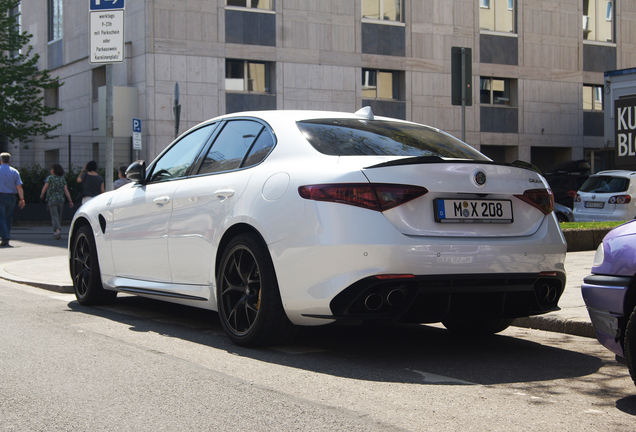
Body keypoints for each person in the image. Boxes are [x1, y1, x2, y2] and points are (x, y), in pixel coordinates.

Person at [40, 164, 74, 240]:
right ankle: (57, 230)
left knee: (54, 215)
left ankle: (57, 231)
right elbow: (66, 190)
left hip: (52, 200)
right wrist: (70, 200)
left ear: (54, 170)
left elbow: (45, 187)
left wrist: (42, 194)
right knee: (59, 216)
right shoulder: (62, 179)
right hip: (61, 200)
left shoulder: (50, 178)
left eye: (51, 169)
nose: (50, 170)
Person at [0, 152, 25, 247]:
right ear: (9, 161)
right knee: (8, 218)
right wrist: (22, 199)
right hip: (11, 197)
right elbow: (19, 186)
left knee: (1, 217)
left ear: (0, 160)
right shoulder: (14, 172)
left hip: (0, 196)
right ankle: (6, 236)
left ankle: (5, 237)